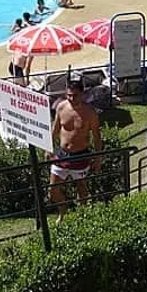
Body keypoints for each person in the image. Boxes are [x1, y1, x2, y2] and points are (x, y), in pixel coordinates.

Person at [49, 78, 104, 222]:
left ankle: (82, 215)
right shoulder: (61, 107)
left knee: (81, 187)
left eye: (75, 95)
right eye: (69, 95)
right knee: (53, 189)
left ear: (82, 94)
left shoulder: (90, 113)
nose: (72, 98)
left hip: (81, 154)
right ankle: (62, 210)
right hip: (62, 154)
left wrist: (98, 158)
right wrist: (48, 148)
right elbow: (55, 130)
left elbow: (97, 137)